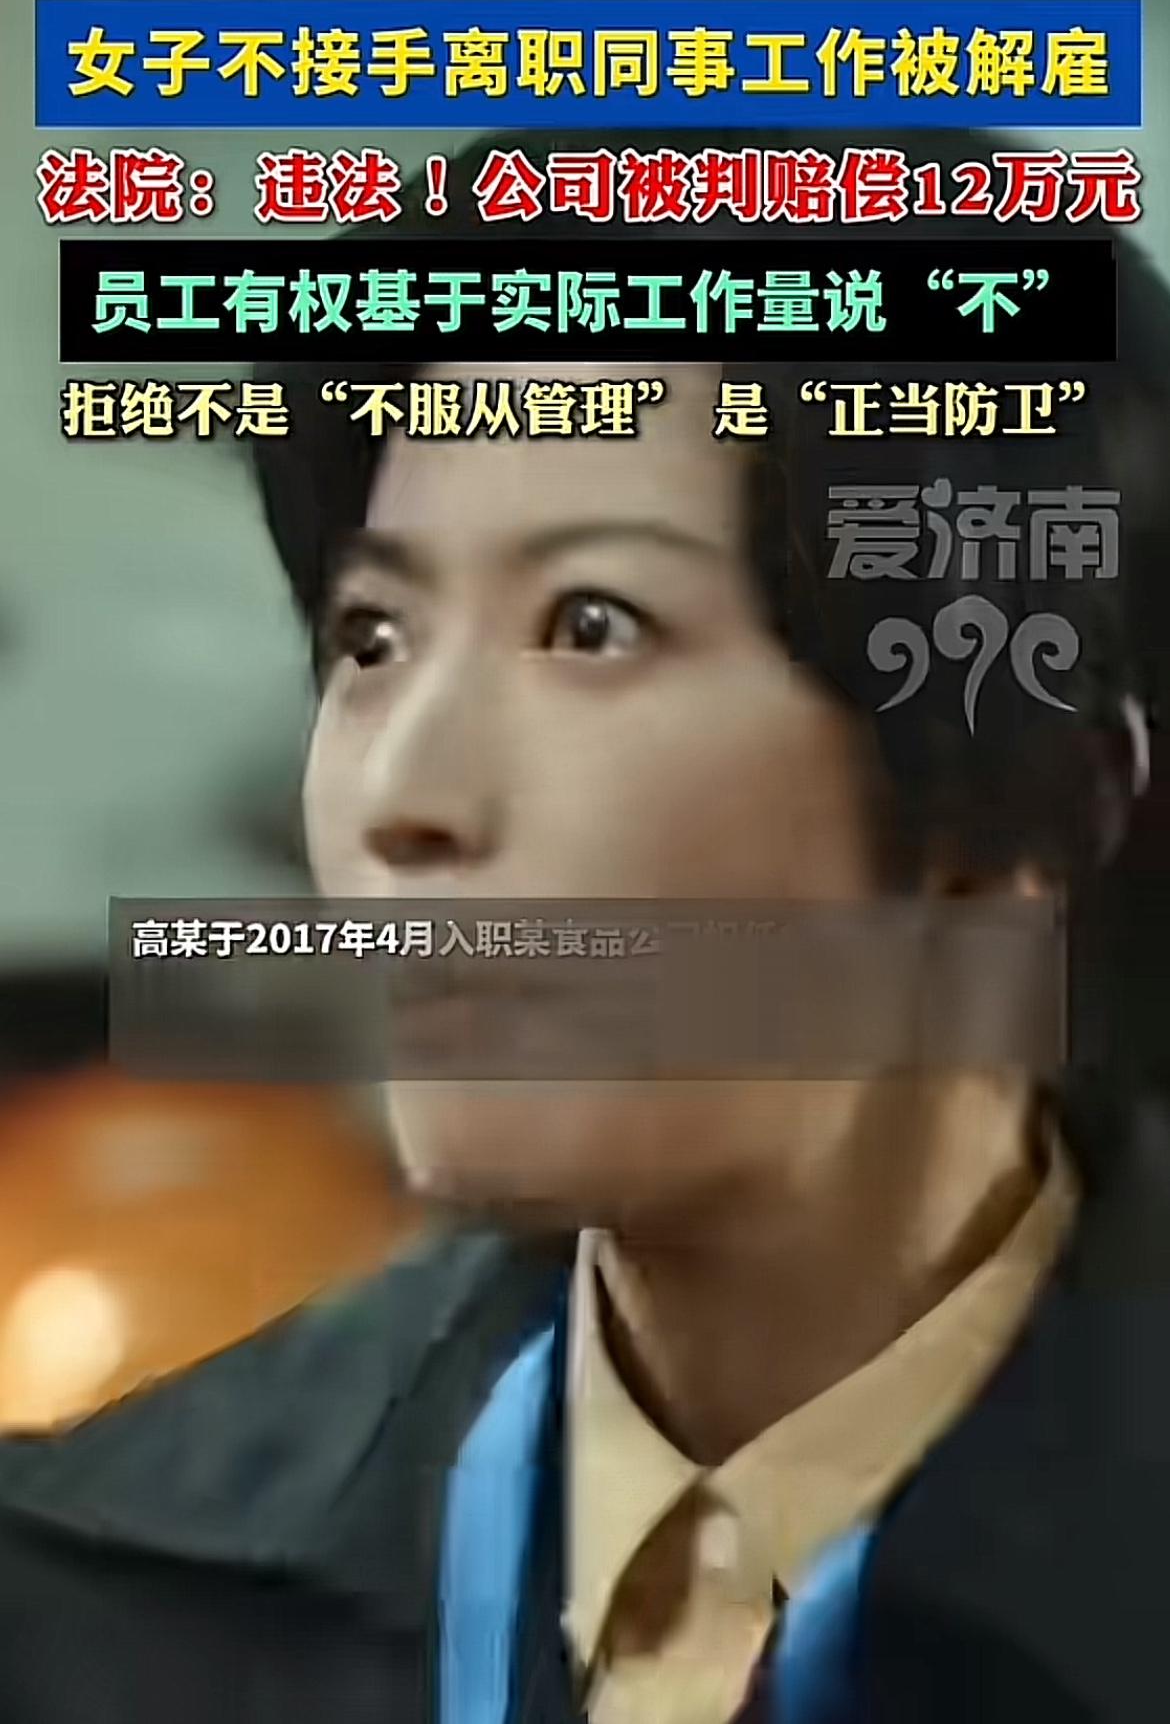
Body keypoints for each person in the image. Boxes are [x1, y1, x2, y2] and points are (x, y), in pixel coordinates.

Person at [0, 128, 1168, 1724]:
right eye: (372, 637)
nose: (403, 798)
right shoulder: (85, 1595)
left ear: (1031, 801)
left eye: (591, 623)